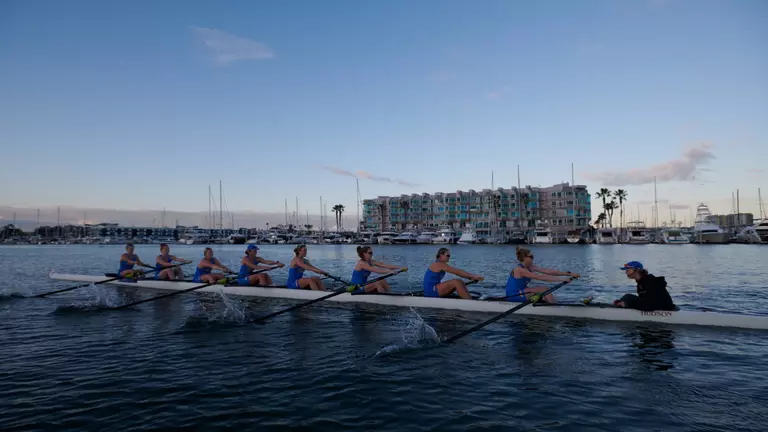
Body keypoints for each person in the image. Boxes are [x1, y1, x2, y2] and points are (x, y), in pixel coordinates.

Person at [505, 247, 578, 303]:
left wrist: (568, 274)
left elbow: (548, 271)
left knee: (544, 291)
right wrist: (562, 279)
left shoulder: (531, 267)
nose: (533, 258)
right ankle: (555, 308)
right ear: (524, 258)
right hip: (514, 295)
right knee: (544, 289)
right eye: (531, 257)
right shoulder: (519, 269)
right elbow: (540, 277)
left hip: (522, 291)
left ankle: (552, 304)